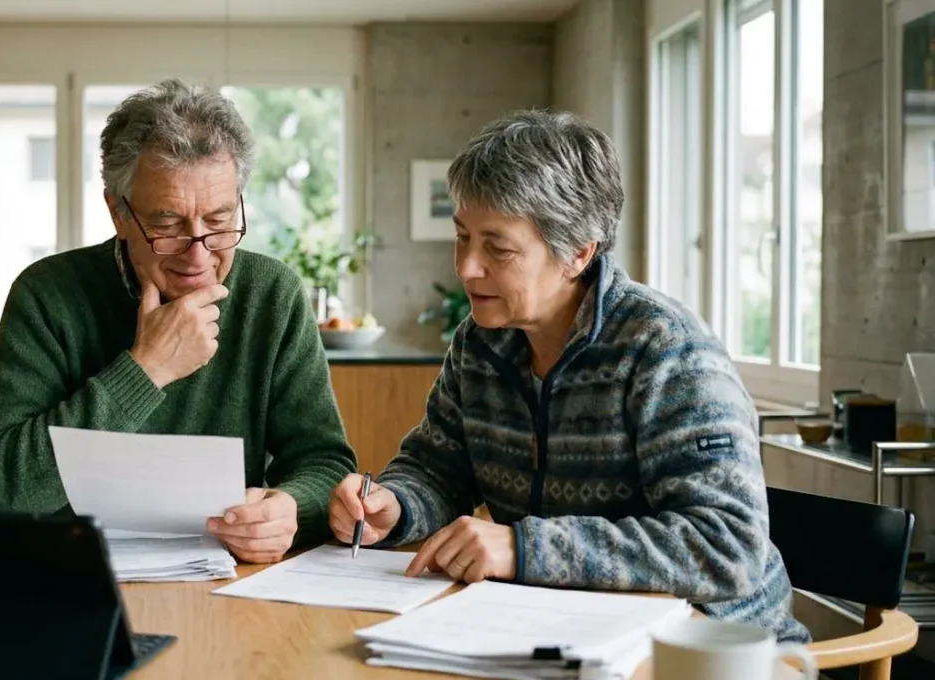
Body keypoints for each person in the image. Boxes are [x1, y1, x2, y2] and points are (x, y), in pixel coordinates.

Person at [328, 110, 809, 642]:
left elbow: (727, 549)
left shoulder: (667, 351)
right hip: (560, 632)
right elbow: (437, 468)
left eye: (498, 247)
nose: (466, 267)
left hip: (709, 653)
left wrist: (525, 549)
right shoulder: (480, 342)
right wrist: (393, 505)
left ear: (577, 253)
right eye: (463, 237)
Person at [0, 79, 357, 563]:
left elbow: (325, 462)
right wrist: (145, 369)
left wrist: (290, 507)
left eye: (219, 221)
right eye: (168, 224)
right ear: (118, 211)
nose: (199, 254)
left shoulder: (272, 294)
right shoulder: (47, 294)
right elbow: (2, 494)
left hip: (229, 575)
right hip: (70, 573)